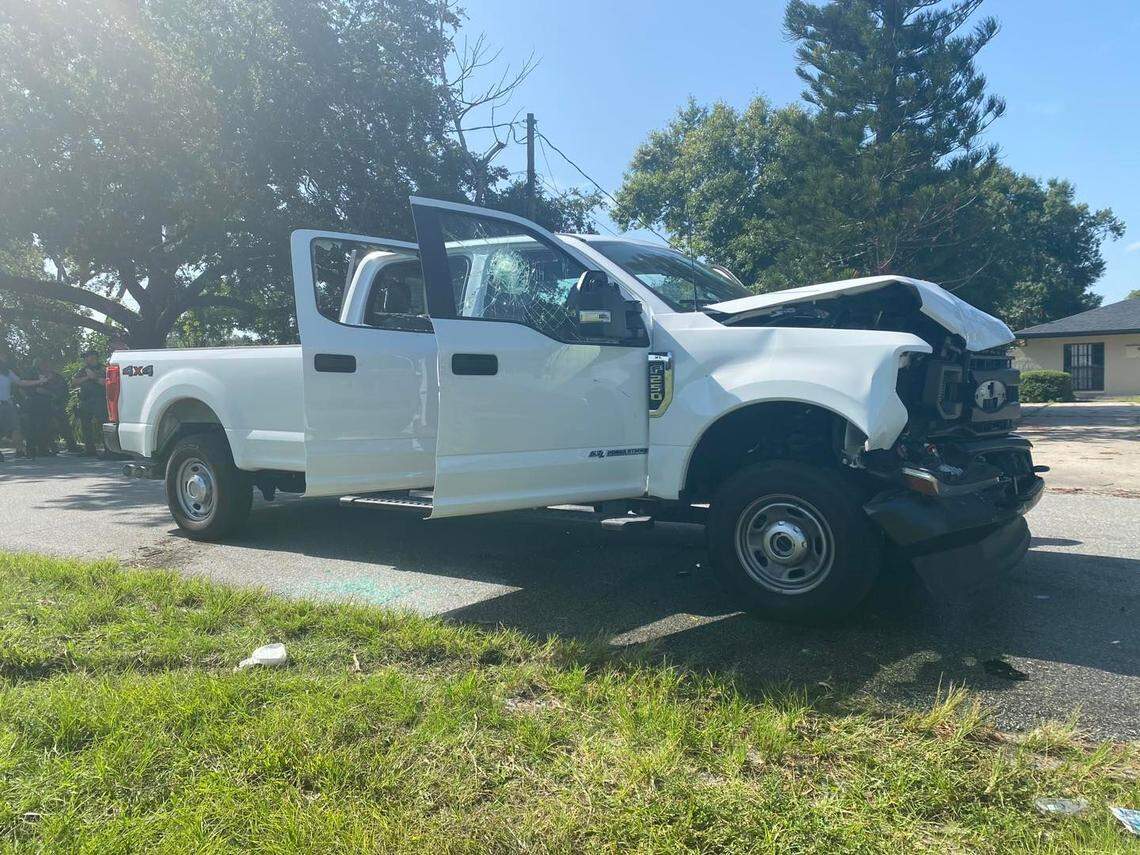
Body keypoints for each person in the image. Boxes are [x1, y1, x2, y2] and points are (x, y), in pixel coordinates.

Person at [0, 354, 48, 462]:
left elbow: (21, 382)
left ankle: (20, 450)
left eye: (3, 358)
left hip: (7, 404)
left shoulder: (7, 372)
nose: (3, 359)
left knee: (16, 428)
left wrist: (39, 381)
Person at [72, 350, 107, 457]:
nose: (85, 359)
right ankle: (89, 450)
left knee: (104, 425)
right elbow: (74, 381)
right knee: (85, 426)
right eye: (85, 357)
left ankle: (109, 449)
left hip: (99, 399)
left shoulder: (103, 368)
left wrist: (95, 377)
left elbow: (107, 382)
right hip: (85, 401)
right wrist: (87, 377)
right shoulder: (83, 370)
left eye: (87, 356)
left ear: (94, 357)